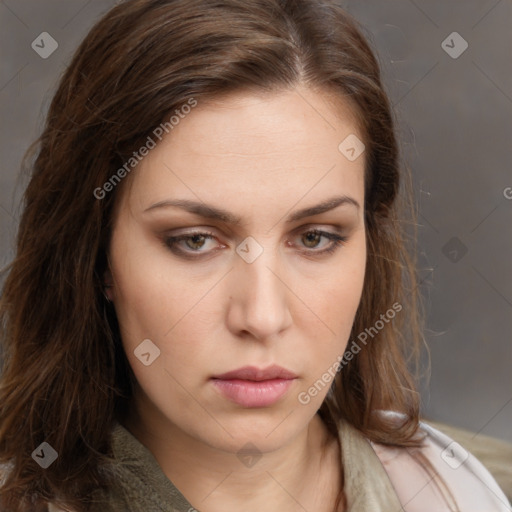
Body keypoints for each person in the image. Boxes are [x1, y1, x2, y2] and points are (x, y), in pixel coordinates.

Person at [0, 1, 510, 511]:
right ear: (97, 257)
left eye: (315, 237)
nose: (263, 317)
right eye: (195, 240)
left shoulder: (481, 492)